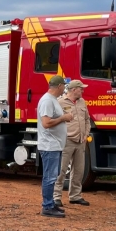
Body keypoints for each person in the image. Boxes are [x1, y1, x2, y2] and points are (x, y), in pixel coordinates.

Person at [38, 75, 74, 218]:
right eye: (64, 86)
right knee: (50, 177)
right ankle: (47, 206)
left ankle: (51, 204)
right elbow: (46, 123)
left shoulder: (52, 100)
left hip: (55, 145)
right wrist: (63, 118)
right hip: (49, 145)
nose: (64, 89)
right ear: (59, 86)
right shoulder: (47, 100)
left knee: (53, 175)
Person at [53, 80, 91, 207]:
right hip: (66, 141)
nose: (83, 91)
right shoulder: (60, 102)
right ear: (74, 89)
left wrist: (85, 134)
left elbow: (87, 120)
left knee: (79, 170)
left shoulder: (82, 102)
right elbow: (54, 120)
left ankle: (75, 196)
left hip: (80, 141)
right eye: (81, 89)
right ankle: (56, 197)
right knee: (61, 170)